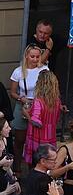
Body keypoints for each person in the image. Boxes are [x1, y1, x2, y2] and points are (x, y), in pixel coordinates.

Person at [9, 45, 48, 173]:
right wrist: (22, 99)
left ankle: (34, 169)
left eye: (37, 56)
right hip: (23, 104)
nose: (35, 59)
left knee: (36, 141)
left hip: (38, 106)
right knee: (19, 139)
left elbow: (48, 88)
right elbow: (13, 92)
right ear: (26, 56)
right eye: (32, 56)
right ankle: (17, 168)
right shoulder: (18, 71)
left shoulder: (44, 69)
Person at [22, 70, 61, 165]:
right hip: (51, 135)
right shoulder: (57, 101)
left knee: (35, 163)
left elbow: (37, 122)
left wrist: (26, 113)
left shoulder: (38, 101)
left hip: (38, 136)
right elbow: (56, 119)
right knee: (49, 162)